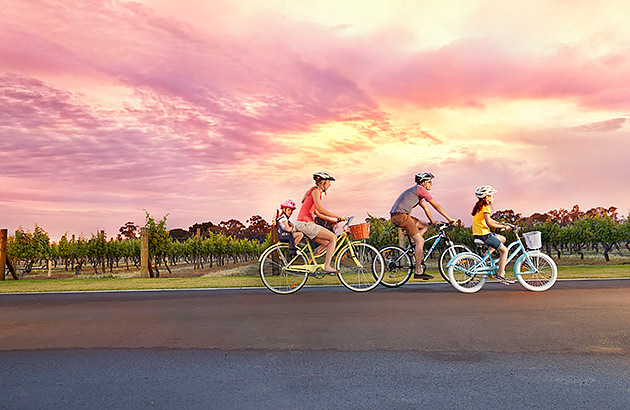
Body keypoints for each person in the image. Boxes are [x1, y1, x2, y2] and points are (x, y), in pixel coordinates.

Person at [390, 172, 457, 280]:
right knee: (420, 241)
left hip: (401, 215)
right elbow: (436, 205)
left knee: (425, 225)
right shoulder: (420, 189)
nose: (431, 184)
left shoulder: (417, 191)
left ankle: (412, 244)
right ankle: (418, 271)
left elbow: (426, 208)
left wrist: (432, 222)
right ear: (424, 182)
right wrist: (449, 219)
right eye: (429, 182)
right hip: (401, 216)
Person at [295, 172, 345, 274]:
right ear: (323, 182)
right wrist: (337, 216)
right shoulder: (316, 192)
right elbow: (320, 209)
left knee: (327, 244)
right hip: (306, 224)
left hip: (304, 224)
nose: (330, 184)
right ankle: (327, 266)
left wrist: (332, 221)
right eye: (328, 182)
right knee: (333, 238)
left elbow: (317, 213)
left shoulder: (315, 192)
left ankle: (307, 263)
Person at [471, 185, 514, 285]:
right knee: (504, 250)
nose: (493, 197)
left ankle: (486, 256)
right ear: (487, 197)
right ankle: (501, 274)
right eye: (492, 195)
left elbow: (490, 220)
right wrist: (503, 227)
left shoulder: (479, 206)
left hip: (480, 234)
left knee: (502, 239)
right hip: (484, 235)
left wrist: (502, 224)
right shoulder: (485, 207)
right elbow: (489, 223)